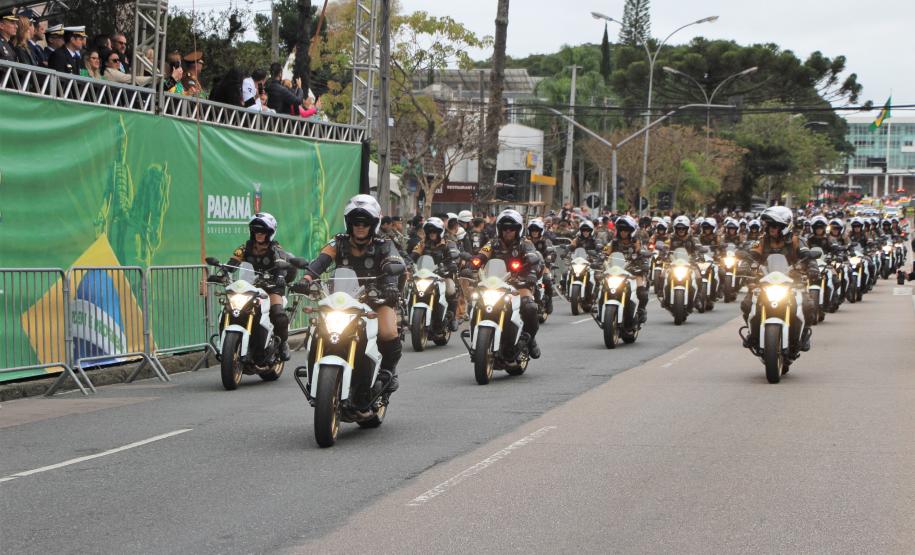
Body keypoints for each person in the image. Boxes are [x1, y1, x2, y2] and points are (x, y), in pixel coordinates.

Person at [299, 195, 405, 394]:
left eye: (365, 223)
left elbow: (393, 263)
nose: (360, 227)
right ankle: (315, 374)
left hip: (376, 299)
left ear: (373, 224)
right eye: (356, 223)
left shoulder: (384, 244)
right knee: (316, 330)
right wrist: (306, 279)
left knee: (389, 332)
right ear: (349, 224)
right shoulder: (338, 242)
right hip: (342, 300)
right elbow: (321, 261)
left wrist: (390, 287)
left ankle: (388, 371)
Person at [219, 213, 296, 361]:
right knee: (229, 309)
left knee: (278, 314)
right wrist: (222, 273)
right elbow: (232, 262)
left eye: (263, 232)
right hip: (250, 286)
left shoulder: (275, 248)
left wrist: (280, 277)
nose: (259, 235)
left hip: (272, 287)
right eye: (256, 231)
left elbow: (281, 261)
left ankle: (283, 344)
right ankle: (224, 343)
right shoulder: (245, 248)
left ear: (270, 233)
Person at [742, 206, 813, 351]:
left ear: (785, 226)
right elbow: (752, 254)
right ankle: (752, 334)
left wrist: (812, 268)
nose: (770, 229)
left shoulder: (797, 241)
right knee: (747, 303)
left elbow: (808, 256)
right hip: (766, 282)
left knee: (808, 305)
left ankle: (804, 334)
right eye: (768, 225)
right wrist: (744, 264)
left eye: (774, 226)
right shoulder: (762, 241)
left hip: (793, 283)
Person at [472, 209, 542, 359]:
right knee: (476, 302)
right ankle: (476, 343)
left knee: (529, 306)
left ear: (518, 230)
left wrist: (531, 270)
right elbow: (481, 255)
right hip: (495, 284)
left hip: (519, 284)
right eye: (504, 228)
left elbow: (534, 258)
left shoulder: (526, 243)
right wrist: (472, 264)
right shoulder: (493, 243)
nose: (508, 231)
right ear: (499, 229)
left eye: (512, 229)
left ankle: (531, 340)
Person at [411, 217, 461, 331]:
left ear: (440, 232)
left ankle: (452, 318)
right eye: (430, 231)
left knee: (451, 289)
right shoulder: (422, 244)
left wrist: (452, 264)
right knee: (411, 288)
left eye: (435, 231)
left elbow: (454, 257)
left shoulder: (449, 243)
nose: (432, 233)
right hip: (424, 276)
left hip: (443, 276)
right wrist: (408, 262)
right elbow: (413, 255)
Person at [603, 215, 649, 323]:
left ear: (630, 231)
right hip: (615, 270)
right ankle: (599, 305)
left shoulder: (635, 242)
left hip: (632, 271)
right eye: (621, 230)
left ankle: (641, 310)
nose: (623, 232)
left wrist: (642, 256)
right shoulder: (613, 242)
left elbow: (640, 252)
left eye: (626, 230)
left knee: (641, 289)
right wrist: (601, 256)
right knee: (601, 284)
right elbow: (606, 252)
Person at [526, 218, 555, 314]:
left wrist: (549, 257)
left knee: (547, 279)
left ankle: (549, 300)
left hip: (542, 265)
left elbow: (552, 252)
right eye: (533, 230)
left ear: (540, 231)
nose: (534, 232)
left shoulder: (546, 241)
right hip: (527, 266)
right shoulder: (525, 241)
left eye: (536, 230)